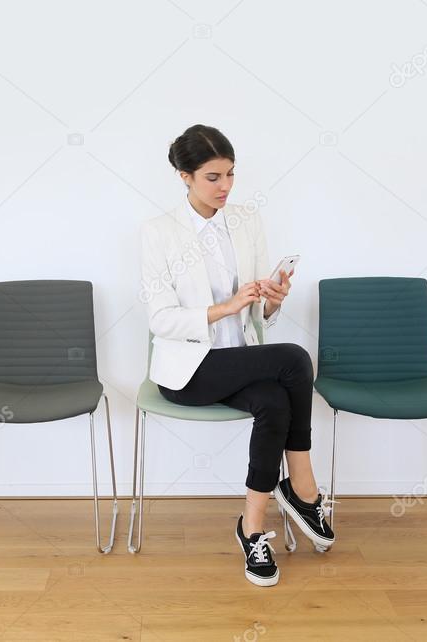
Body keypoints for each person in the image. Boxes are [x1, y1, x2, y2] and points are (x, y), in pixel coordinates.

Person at [139, 124, 335, 587]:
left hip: (240, 360)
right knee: (293, 359)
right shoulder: (158, 233)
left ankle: (253, 528)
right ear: (183, 176)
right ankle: (303, 487)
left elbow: (260, 315)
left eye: (230, 174)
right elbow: (160, 319)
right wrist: (223, 307)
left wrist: (273, 296)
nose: (225, 186)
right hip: (190, 372)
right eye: (212, 177)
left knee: (274, 401)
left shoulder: (246, 221)